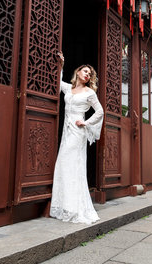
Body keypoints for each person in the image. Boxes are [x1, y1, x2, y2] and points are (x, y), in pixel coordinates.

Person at [49, 52, 104, 224]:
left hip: (77, 131)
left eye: (89, 74)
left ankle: (73, 208)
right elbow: (58, 84)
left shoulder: (89, 93)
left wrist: (86, 122)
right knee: (64, 164)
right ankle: (64, 205)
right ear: (78, 72)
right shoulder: (69, 89)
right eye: (85, 71)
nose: (87, 74)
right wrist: (61, 66)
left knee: (71, 164)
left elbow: (100, 111)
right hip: (66, 131)